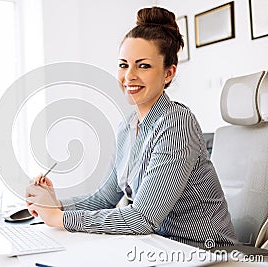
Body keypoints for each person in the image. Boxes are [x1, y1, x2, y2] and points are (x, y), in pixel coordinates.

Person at [26, 6, 237, 248]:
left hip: (205, 251)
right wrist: (55, 205)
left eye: (143, 66)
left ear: (169, 73)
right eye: (124, 65)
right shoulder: (127, 127)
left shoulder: (177, 124)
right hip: (159, 246)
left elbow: (142, 219)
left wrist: (61, 219)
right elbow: (104, 198)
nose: (129, 76)